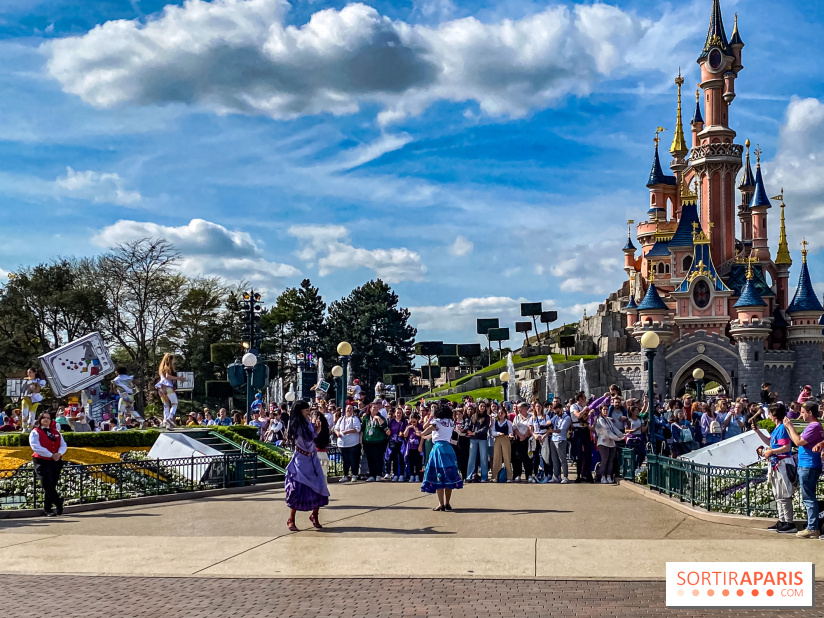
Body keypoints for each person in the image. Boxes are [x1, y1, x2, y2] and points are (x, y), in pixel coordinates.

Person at [285, 401, 330, 531]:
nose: (308, 411)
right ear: (300, 410)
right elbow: (307, 439)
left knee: (319, 486)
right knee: (297, 489)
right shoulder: (296, 425)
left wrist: (317, 429)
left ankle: (315, 515)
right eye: (306, 410)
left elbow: (313, 437)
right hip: (301, 460)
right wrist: (316, 431)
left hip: (313, 458)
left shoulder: (307, 422)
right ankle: (291, 519)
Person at [753, 403, 797, 534]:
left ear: (774, 415)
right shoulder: (777, 428)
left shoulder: (783, 428)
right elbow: (769, 441)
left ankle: (789, 522)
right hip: (776, 464)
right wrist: (757, 431)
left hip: (782, 463)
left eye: (770, 414)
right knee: (778, 494)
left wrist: (771, 452)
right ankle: (782, 520)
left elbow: (786, 448)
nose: (768, 416)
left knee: (784, 494)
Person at [783, 401, 823, 538]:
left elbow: (799, 441)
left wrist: (790, 427)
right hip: (808, 465)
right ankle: (812, 526)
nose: (801, 415)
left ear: (810, 413)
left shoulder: (814, 426)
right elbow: (797, 440)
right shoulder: (814, 426)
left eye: (803, 412)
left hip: (809, 466)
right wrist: (788, 428)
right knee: (808, 498)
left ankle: (812, 527)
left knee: (809, 498)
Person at [420, 401, 463, 511]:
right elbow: (439, 433)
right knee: (448, 474)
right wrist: (426, 437)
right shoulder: (450, 422)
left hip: (438, 449)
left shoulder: (437, 422)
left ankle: (441, 504)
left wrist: (422, 433)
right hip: (448, 448)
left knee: (439, 475)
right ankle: (448, 503)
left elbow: (431, 429)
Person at [30, 411, 68, 517]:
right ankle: (58, 503)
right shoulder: (35, 432)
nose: (46, 420)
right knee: (47, 484)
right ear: (40, 420)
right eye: (44, 418)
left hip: (55, 461)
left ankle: (48, 509)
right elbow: (35, 447)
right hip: (42, 461)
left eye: (48, 418)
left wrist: (59, 454)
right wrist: (51, 454)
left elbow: (63, 445)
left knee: (52, 484)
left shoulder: (56, 432)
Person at [594, 403, 625, 484]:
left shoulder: (608, 419)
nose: (605, 411)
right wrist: (618, 438)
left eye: (607, 409)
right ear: (600, 411)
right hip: (603, 443)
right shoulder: (600, 420)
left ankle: (608, 476)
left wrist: (623, 435)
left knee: (610, 460)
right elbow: (606, 432)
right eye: (604, 409)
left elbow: (614, 429)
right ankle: (602, 477)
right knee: (605, 460)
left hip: (611, 443)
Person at [156, 353, 184, 430]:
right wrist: (178, 378)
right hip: (168, 388)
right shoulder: (167, 368)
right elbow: (167, 376)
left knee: (166, 405)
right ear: (171, 360)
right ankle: (170, 417)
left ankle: (166, 423)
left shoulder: (161, 368)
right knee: (175, 403)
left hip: (161, 388)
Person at [570, 391, 593, 483]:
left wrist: (589, 414)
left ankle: (588, 474)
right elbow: (578, 415)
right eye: (583, 397)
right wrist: (585, 409)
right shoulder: (574, 406)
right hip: (578, 431)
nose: (585, 399)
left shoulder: (583, 407)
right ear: (580, 398)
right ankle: (578, 475)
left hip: (585, 430)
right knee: (579, 454)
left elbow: (585, 418)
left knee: (588, 453)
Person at [361, 401, 388, 482]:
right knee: (370, 459)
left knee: (378, 458)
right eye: (374, 408)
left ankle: (378, 474)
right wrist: (361, 440)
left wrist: (378, 418)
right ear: (370, 409)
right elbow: (362, 429)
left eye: (377, 408)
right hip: (368, 442)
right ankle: (372, 474)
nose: (376, 409)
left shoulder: (381, 417)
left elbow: (384, 426)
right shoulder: (366, 417)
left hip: (379, 442)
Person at [466, 401, 490, 483]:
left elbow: (485, 429)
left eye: (484, 406)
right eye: (481, 406)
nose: (482, 407)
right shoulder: (473, 416)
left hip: (482, 438)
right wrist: (464, 429)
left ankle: (484, 476)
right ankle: (469, 475)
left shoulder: (487, 417)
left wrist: (474, 433)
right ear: (478, 407)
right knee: (471, 457)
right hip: (473, 439)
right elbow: (469, 425)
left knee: (483, 458)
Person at [548, 401, 571, 483]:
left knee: (562, 459)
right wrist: (547, 424)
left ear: (561, 409)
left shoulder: (567, 418)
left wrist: (552, 430)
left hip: (561, 440)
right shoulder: (556, 416)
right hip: (553, 440)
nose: (557, 414)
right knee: (554, 459)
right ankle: (556, 476)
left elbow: (561, 430)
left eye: (558, 412)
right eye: (555, 412)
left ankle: (565, 477)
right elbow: (549, 421)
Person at [511, 402, 534, 482]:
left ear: (525, 408)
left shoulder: (531, 417)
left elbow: (531, 427)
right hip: (519, 440)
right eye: (518, 408)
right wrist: (520, 435)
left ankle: (529, 475)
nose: (519, 410)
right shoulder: (517, 418)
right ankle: (518, 475)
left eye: (520, 408)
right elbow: (514, 427)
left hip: (528, 440)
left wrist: (526, 435)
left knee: (528, 458)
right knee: (518, 458)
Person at [490, 403, 513, 482]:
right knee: (497, 457)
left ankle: (509, 476)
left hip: (505, 439)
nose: (500, 414)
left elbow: (510, 432)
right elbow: (492, 432)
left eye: (502, 413)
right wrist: (498, 433)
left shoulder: (508, 422)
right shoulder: (495, 422)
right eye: (499, 413)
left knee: (507, 457)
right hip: (497, 439)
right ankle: (495, 476)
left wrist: (510, 435)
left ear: (505, 414)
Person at [384, 406, 407, 481]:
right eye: (397, 413)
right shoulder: (391, 421)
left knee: (401, 458)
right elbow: (388, 430)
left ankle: (401, 475)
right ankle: (395, 474)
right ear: (395, 413)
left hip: (401, 442)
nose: (399, 414)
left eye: (400, 413)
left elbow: (407, 432)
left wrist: (403, 433)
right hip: (393, 442)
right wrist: (388, 432)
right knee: (394, 458)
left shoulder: (404, 421)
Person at [402, 412, 423, 482]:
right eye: (411, 422)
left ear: (417, 420)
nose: (413, 423)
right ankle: (411, 475)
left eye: (414, 422)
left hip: (417, 447)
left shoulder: (420, 426)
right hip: (410, 447)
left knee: (417, 462)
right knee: (411, 462)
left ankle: (417, 475)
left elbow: (421, 436)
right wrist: (408, 428)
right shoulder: (408, 426)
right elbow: (405, 435)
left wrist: (416, 429)